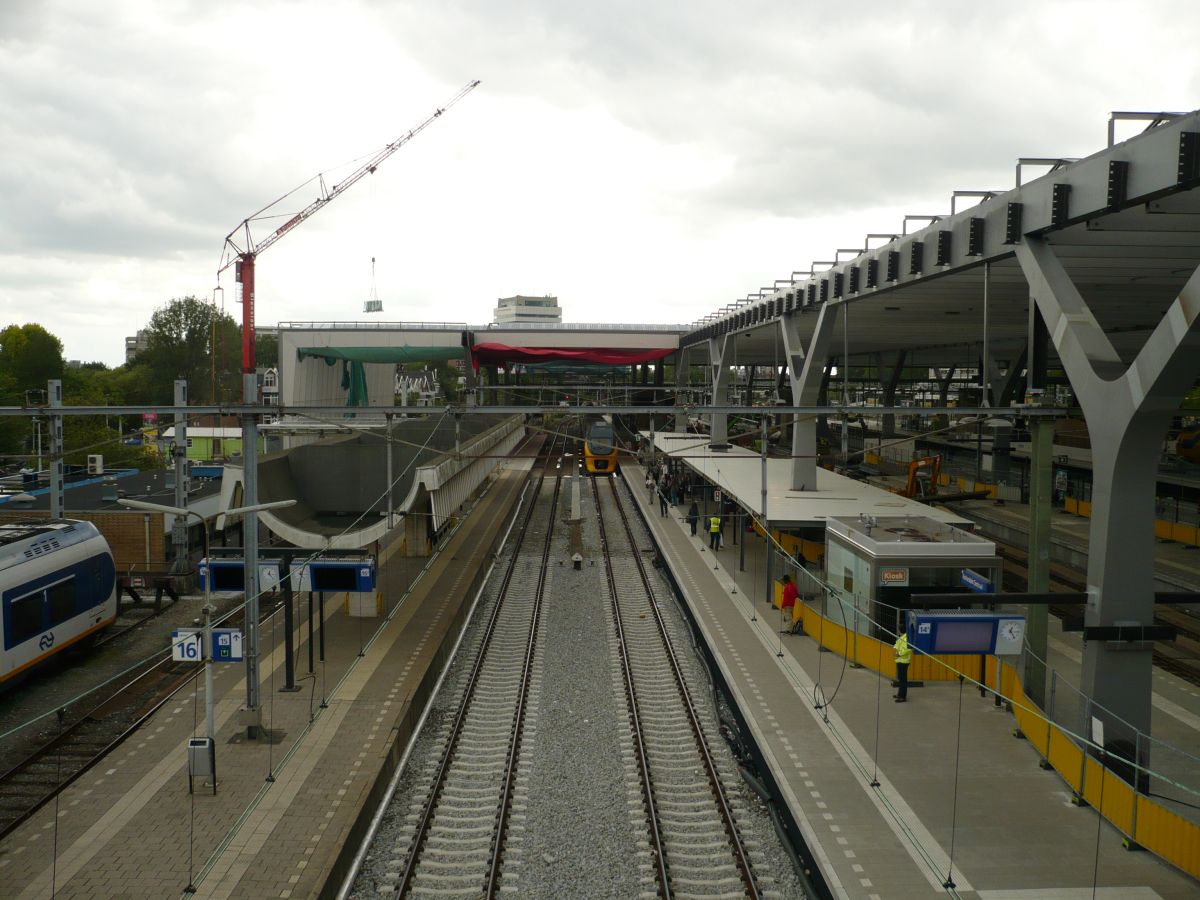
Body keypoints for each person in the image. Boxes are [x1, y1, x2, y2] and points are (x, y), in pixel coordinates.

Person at [893, 629, 912, 702]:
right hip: (900, 660)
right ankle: (900, 694)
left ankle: (903, 697)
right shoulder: (902, 637)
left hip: (904, 661)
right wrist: (895, 649)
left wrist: (899, 653)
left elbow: (908, 649)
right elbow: (897, 644)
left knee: (903, 680)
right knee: (901, 679)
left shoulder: (907, 638)